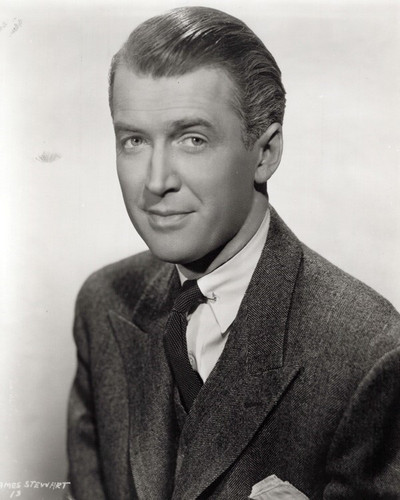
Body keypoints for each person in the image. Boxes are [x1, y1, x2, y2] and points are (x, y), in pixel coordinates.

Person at [67, 6, 400, 499]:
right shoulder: (103, 304)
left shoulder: (370, 353)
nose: (156, 181)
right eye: (134, 140)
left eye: (192, 139)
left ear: (265, 154)